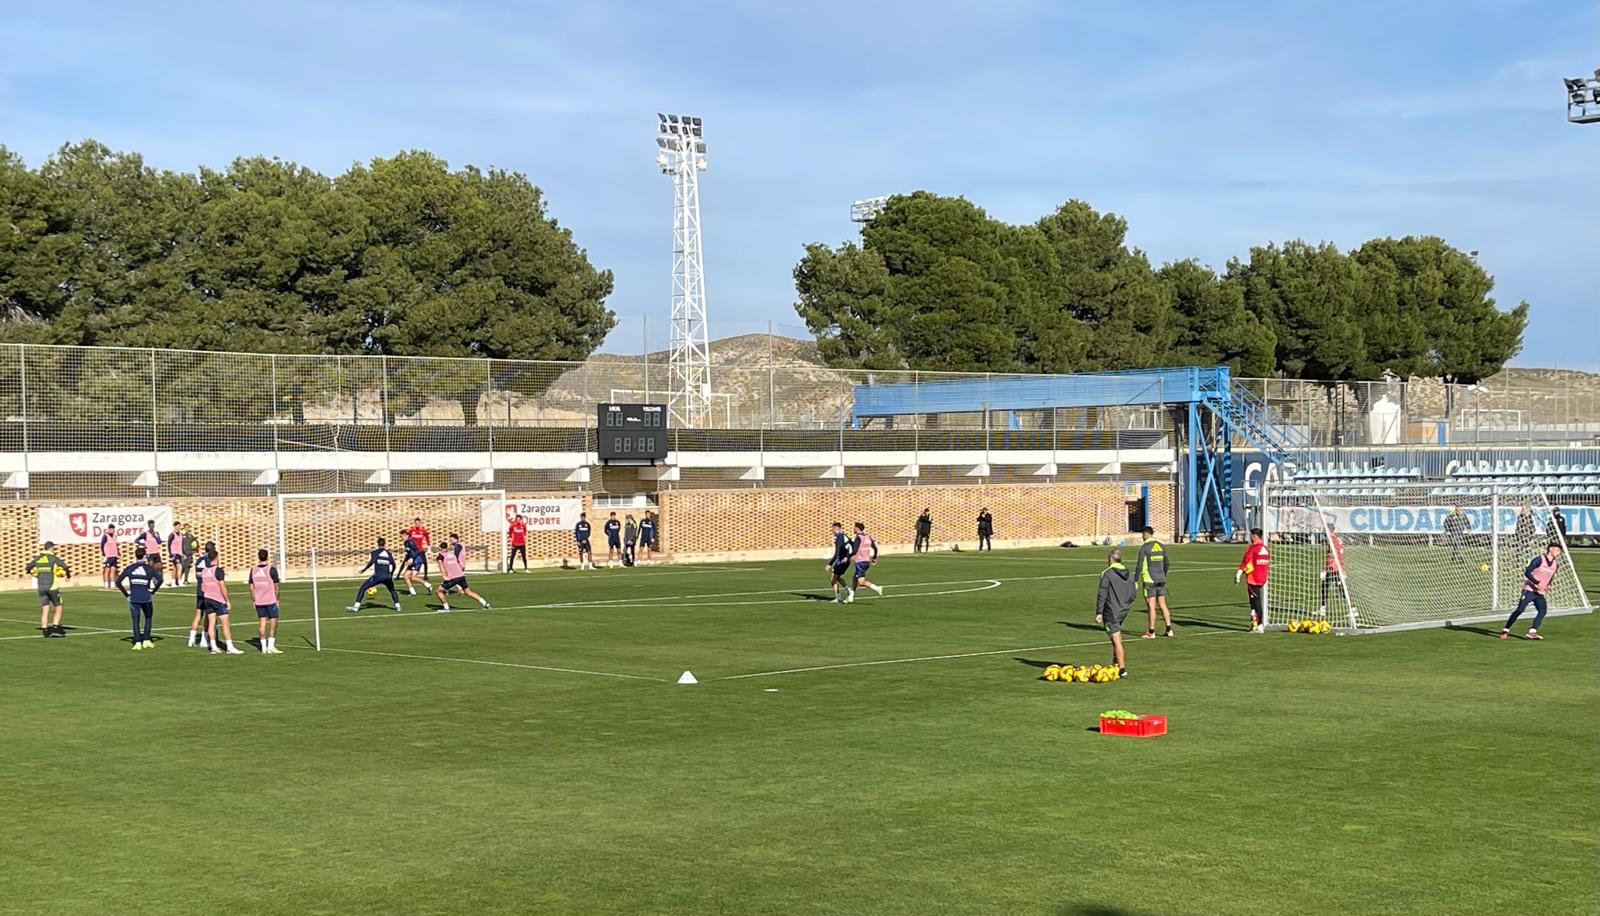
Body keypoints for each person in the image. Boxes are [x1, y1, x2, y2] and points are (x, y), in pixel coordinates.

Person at [1500, 542, 1565, 640]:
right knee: (1520, 610)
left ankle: (1533, 631)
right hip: (1529, 590)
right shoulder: (1539, 559)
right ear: (1550, 549)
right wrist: (1537, 583)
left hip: (1539, 593)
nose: (1558, 553)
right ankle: (1506, 629)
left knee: (1542, 611)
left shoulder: (1555, 564)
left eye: (1560, 551)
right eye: (1557, 550)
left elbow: (1550, 577)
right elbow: (1527, 572)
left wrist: (1548, 585)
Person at [1094, 548, 1134, 679]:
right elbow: (1133, 592)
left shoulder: (1107, 573)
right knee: (1115, 638)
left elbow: (1102, 593)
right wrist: (1126, 604)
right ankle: (1116, 663)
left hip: (1111, 610)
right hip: (1123, 610)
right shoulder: (1129, 573)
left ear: (1111, 559)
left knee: (1116, 640)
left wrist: (1099, 612)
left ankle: (1122, 669)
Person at [197, 545, 244, 655]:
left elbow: (203, 587)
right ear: (217, 558)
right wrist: (227, 600)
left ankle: (213, 646)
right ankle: (229, 646)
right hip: (218, 599)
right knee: (225, 624)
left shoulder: (204, 571)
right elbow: (222, 586)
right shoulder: (218, 571)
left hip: (207, 598)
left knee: (211, 623)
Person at [116, 545, 163, 651]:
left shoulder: (130, 568)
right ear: (144, 556)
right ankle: (146, 640)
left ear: (135, 556)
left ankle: (137, 642)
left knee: (135, 620)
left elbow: (118, 582)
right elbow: (160, 580)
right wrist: (153, 592)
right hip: (146, 597)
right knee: (148, 618)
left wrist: (127, 595)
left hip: (134, 597)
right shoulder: (149, 568)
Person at [25, 541, 71, 638]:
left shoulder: (38, 558)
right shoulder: (53, 558)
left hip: (41, 587)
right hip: (52, 587)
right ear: (52, 548)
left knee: (45, 608)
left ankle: (45, 631)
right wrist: (68, 575)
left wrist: (33, 573)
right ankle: (55, 628)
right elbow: (65, 566)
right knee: (58, 606)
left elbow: (28, 567)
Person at [1133, 526, 1173, 638]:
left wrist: (1135, 580)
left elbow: (1139, 565)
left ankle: (1151, 632)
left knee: (1151, 606)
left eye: (1142, 534)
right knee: (1163, 604)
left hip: (1149, 580)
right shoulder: (1161, 546)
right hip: (1161, 579)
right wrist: (1162, 575)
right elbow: (1167, 563)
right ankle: (1169, 629)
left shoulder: (1144, 548)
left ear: (1145, 534)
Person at [435, 534, 491, 611]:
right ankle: (485, 603)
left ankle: (446, 607)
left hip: (453, 578)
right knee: (469, 592)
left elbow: (441, 566)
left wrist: (444, 575)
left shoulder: (440, 556)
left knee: (438, 591)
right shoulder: (452, 555)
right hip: (461, 576)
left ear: (440, 548)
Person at [349, 537, 402, 613]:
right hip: (387, 576)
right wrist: (391, 574)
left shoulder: (375, 552)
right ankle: (398, 606)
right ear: (384, 544)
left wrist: (364, 570)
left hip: (378, 576)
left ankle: (356, 607)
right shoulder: (388, 553)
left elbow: (372, 562)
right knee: (392, 590)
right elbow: (394, 565)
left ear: (377, 544)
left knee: (363, 587)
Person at [1235, 528, 1270, 633]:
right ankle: (1253, 618)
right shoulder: (1266, 548)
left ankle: (1260, 625)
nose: (1250, 537)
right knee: (1253, 599)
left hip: (1253, 578)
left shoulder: (1253, 548)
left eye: (1251, 535)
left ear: (1254, 536)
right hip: (1262, 577)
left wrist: (1239, 573)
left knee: (1256, 600)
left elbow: (1246, 561)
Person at [248, 548, 282, 654]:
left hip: (259, 600)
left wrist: (254, 599)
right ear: (267, 557)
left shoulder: (253, 570)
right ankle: (271, 646)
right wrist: (277, 599)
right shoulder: (271, 569)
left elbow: (251, 586)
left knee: (262, 623)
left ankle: (263, 647)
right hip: (270, 600)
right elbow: (276, 586)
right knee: (273, 622)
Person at [1319, 528, 1356, 624]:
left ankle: (1323, 609)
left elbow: (1333, 555)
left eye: (1324, 530)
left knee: (1327, 586)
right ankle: (1353, 608)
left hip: (1334, 567)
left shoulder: (1331, 539)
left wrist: (1325, 569)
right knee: (1335, 588)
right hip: (1338, 566)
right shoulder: (1337, 539)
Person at [843, 521, 882, 604]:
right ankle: (851, 597)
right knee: (854, 578)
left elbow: (854, 551)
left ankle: (877, 588)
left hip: (860, 561)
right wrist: (874, 558)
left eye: (854, 527)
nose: (853, 529)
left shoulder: (858, 538)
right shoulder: (867, 537)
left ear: (857, 528)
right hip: (866, 561)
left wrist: (847, 557)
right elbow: (875, 548)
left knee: (861, 582)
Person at [187, 540, 217, 648]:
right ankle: (204, 639)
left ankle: (191, 639)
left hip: (199, 589)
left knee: (198, 615)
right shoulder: (209, 561)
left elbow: (197, 575)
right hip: (208, 591)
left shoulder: (199, 560)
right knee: (208, 616)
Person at [826, 521, 852, 602]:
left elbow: (836, 553)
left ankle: (838, 596)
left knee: (833, 578)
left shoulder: (839, 537)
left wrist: (829, 564)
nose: (832, 531)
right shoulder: (844, 535)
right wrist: (849, 556)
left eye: (832, 529)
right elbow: (853, 544)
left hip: (842, 560)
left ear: (836, 528)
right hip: (846, 560)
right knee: (836, 576)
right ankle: (848, 591)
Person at [401, 529, 430, 596]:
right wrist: (407, 560)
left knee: (413, 577)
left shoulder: (410, 542)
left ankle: (427, 585)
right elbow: (410, 553)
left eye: (402, 536)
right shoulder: (406, 543)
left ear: (406, 535)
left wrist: (411, 558)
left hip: (417, 561)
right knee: (405, 576)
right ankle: (412, 592)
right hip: (412, 561)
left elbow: (417, 551)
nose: (401, 537)